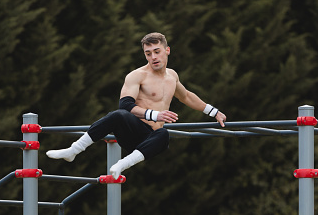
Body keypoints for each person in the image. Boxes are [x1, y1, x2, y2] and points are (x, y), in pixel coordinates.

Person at [46, 32, 226, 179]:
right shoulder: (137, 76)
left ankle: (121, 165)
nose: (153, 57)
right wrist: (155, 115)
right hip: (133, 133)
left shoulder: (172, 76)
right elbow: (125, 105)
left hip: (152, 140)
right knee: (117, 115)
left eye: (157, 51)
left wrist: (214, 112)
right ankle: (74, 150)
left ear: (167, 50)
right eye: (148, 54)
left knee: (163, 134)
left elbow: (186, 96)